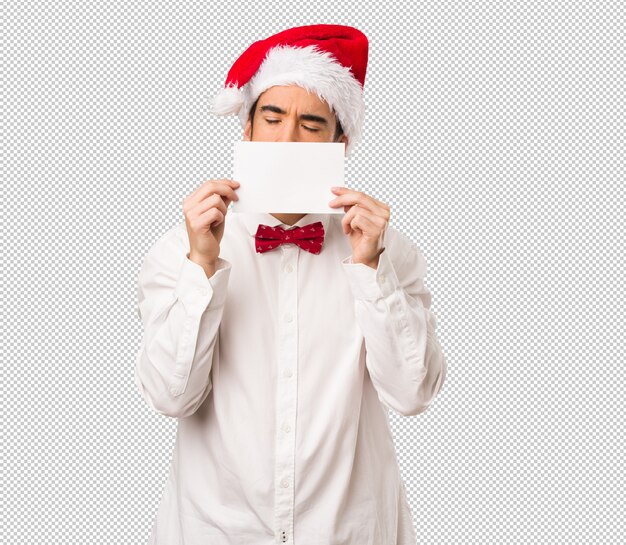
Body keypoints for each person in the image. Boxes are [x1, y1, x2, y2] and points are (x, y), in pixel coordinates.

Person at [134, 24, 447, 545]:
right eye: (273, 119)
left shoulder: (388, 248)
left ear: (339, 143)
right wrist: (202, 268)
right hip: (216, 530)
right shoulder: (180, 248)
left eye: (310, 124)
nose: (287, 139)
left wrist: (372, 270)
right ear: (247, 131)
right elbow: (170, 397)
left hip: (348, 531)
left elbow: (412, 394)